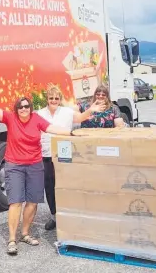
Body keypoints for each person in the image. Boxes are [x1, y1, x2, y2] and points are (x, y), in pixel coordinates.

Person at [0, 81, 77, 256]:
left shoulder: (36, 119)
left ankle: (25, 233)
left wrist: (71, 133)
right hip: (15, 166)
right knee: (16, 202)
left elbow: (52, 129)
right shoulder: (10, 119)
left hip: (35, 164)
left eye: (27, 106)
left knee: (33, 202)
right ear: (16, 109)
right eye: (20, 107)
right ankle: (12, 239)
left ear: (31, 108)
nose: (24, 109)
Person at [36, 84, 105, 231]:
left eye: (56, 98)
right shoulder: (40, 113)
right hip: (46, 153)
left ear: (60, 99)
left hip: (64, 153)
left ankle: (69, 215)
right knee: (50, 186)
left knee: (66, 184)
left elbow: (80, 118)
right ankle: (54, 216)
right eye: (51, 98)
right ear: (47, 99)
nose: (53, 100)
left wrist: (90, 110)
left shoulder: (66, 111)